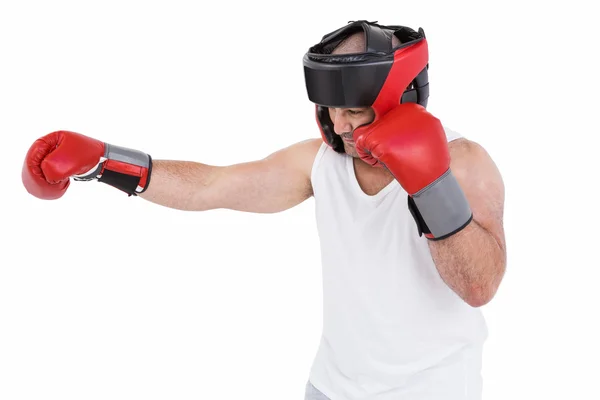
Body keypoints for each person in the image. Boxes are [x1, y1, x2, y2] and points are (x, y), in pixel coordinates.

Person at [22, 20, 506, 400]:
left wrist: (429, 183)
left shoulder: (464, 163)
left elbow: (479, 286)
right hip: (331, 389)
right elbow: (212, 186)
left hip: (430, 393)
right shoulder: (320, 163)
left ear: (400, 97)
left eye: (354, 109)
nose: (339, 124)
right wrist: (108, 161)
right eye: (331, 107)